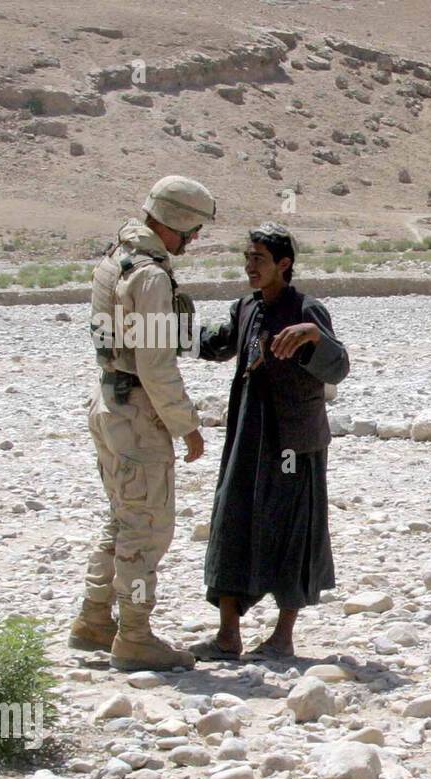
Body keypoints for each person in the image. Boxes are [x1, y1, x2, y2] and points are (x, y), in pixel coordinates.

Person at [68, 175, 215, 671]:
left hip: (109, 403)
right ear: (175, 223)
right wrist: (186, 424)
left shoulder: (116, 258)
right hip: (137, 415)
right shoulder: (150, 275)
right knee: (146, 527)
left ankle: (94, 619)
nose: (192, 240)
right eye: (192, 231)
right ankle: (134, 634)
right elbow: (156, 362)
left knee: (122, 518)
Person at [188, 224, 349, 660]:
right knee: (232, 521)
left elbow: (338, 367)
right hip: (248, 435)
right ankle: (227, 635)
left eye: (258, 258)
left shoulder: (308, 310)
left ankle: (282, 636)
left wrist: (316, 339)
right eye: (247, 257)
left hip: (295, 440)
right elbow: (218, 344)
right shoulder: (245, 307)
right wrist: (165, 331)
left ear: (284, 264)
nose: (250, 266)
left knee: (293, 528)